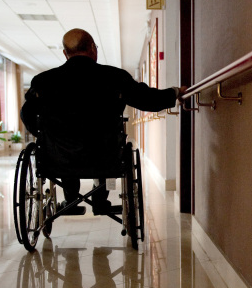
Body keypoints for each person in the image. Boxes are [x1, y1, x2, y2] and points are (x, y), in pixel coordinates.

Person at [21, 28, 186, 215]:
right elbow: (146, 99)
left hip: (58, 157)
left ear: (65, 54)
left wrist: (44, 135)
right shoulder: (114, 77)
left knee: (64, 146)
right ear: (93, 48)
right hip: (105, 155)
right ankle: (100, 201)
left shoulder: (44, 81)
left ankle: (70, 200)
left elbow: (26, 114)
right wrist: (174, 92)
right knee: (103, 145)